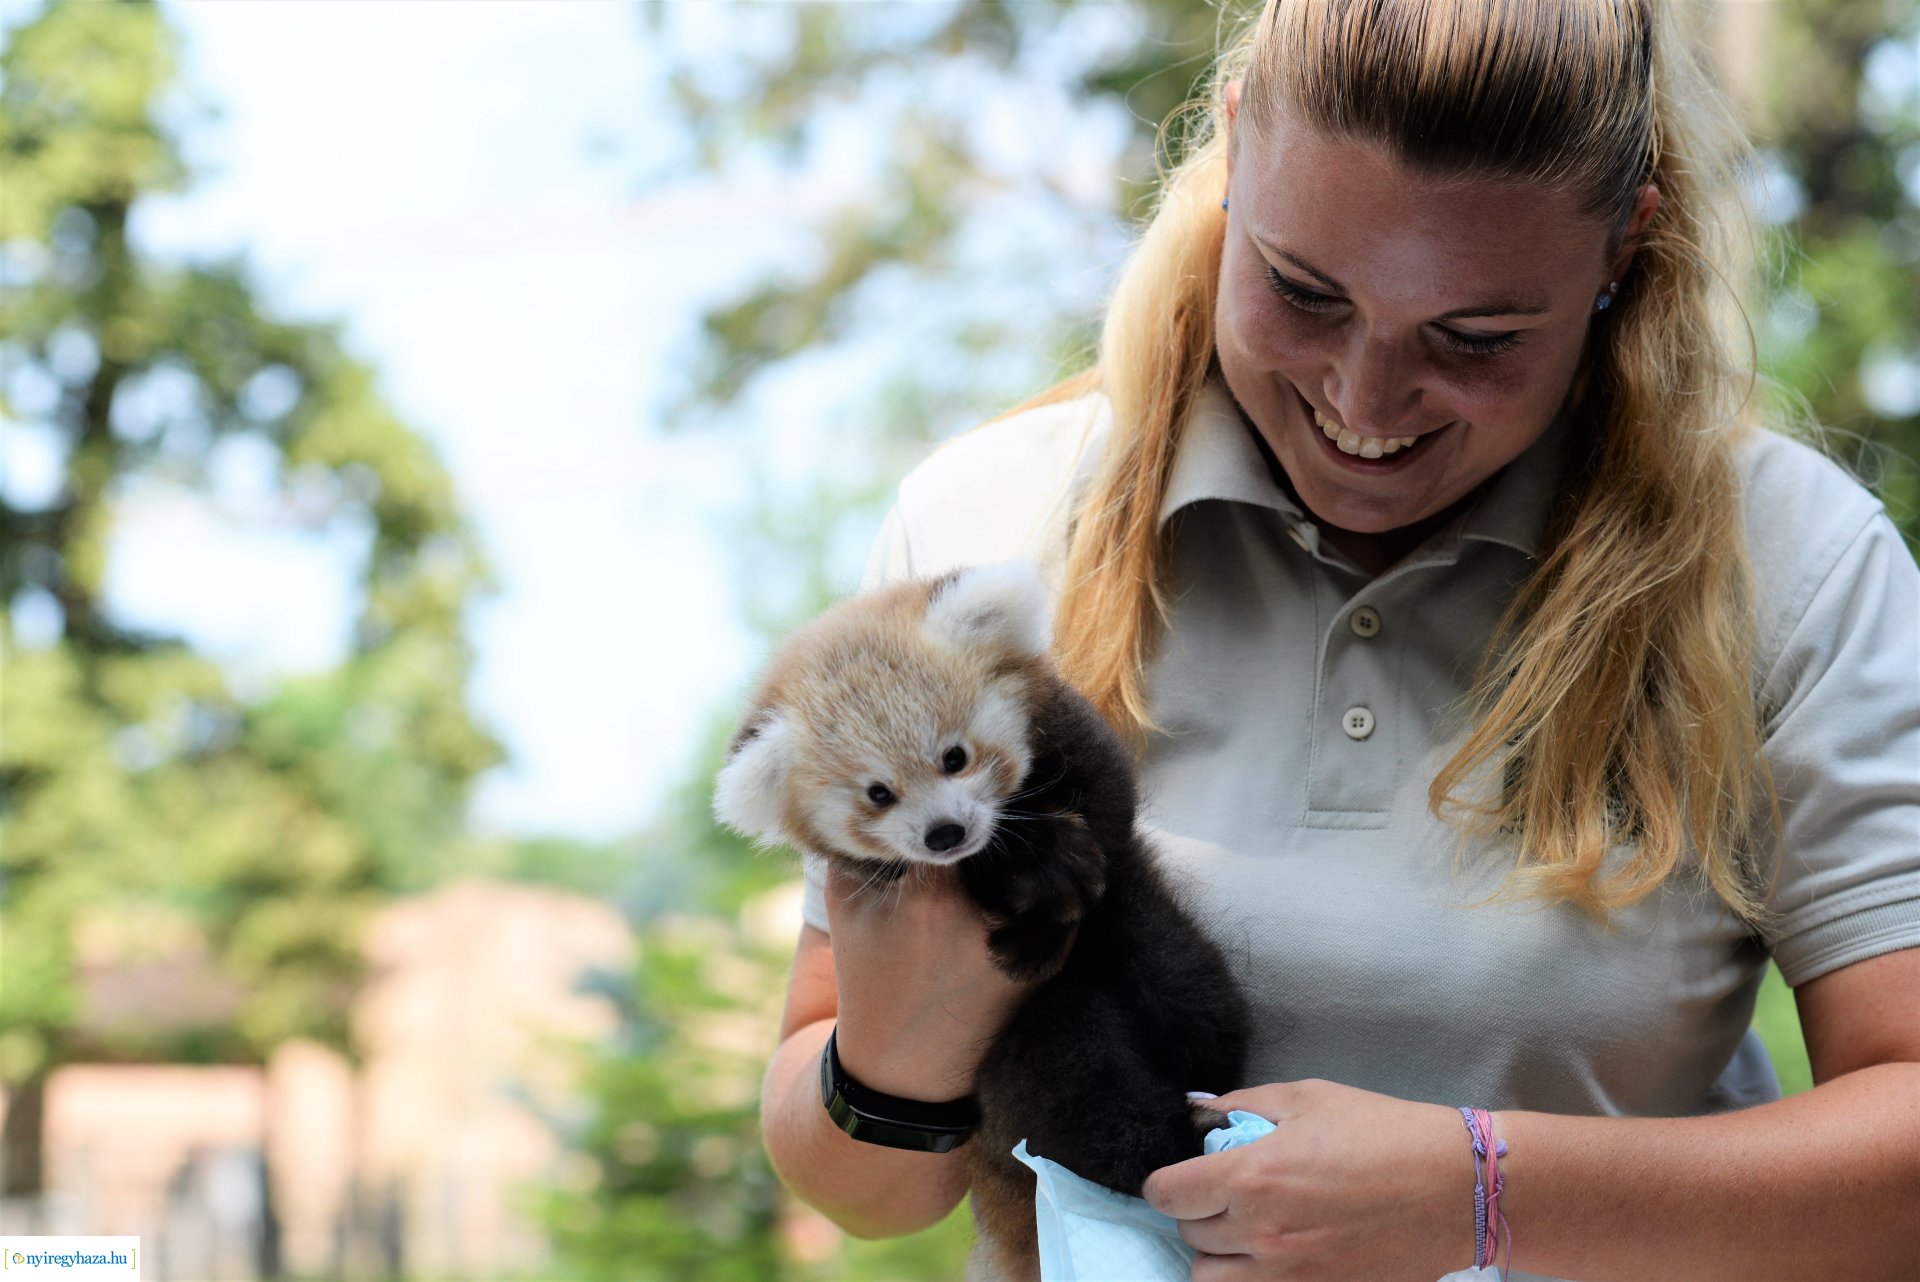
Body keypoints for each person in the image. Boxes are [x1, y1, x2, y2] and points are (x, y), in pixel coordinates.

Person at [756, 2, 1920, 1278]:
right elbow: (860, 1188)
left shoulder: (1795, 563)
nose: (1364, 403)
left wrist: (1485, 1192)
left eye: (1476, 338)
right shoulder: (986, 540)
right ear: (1237, 155)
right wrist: (912, 1041)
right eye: (1304, 293)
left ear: (1625, 250)